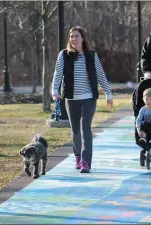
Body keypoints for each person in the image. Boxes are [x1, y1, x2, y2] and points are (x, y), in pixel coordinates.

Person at [51, 26, 113, 173]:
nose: (73, 39)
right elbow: (58, 74)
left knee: (85, 128)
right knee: (75, 130)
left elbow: (100, 75)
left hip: (88, 98)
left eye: (76, 36)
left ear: (83, 38)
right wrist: (55, 91)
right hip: (71, 98)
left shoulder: (91, 55)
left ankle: (86, 161)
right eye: (71, 36)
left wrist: (108, 94)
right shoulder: (64, 55)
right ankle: (78, 156)